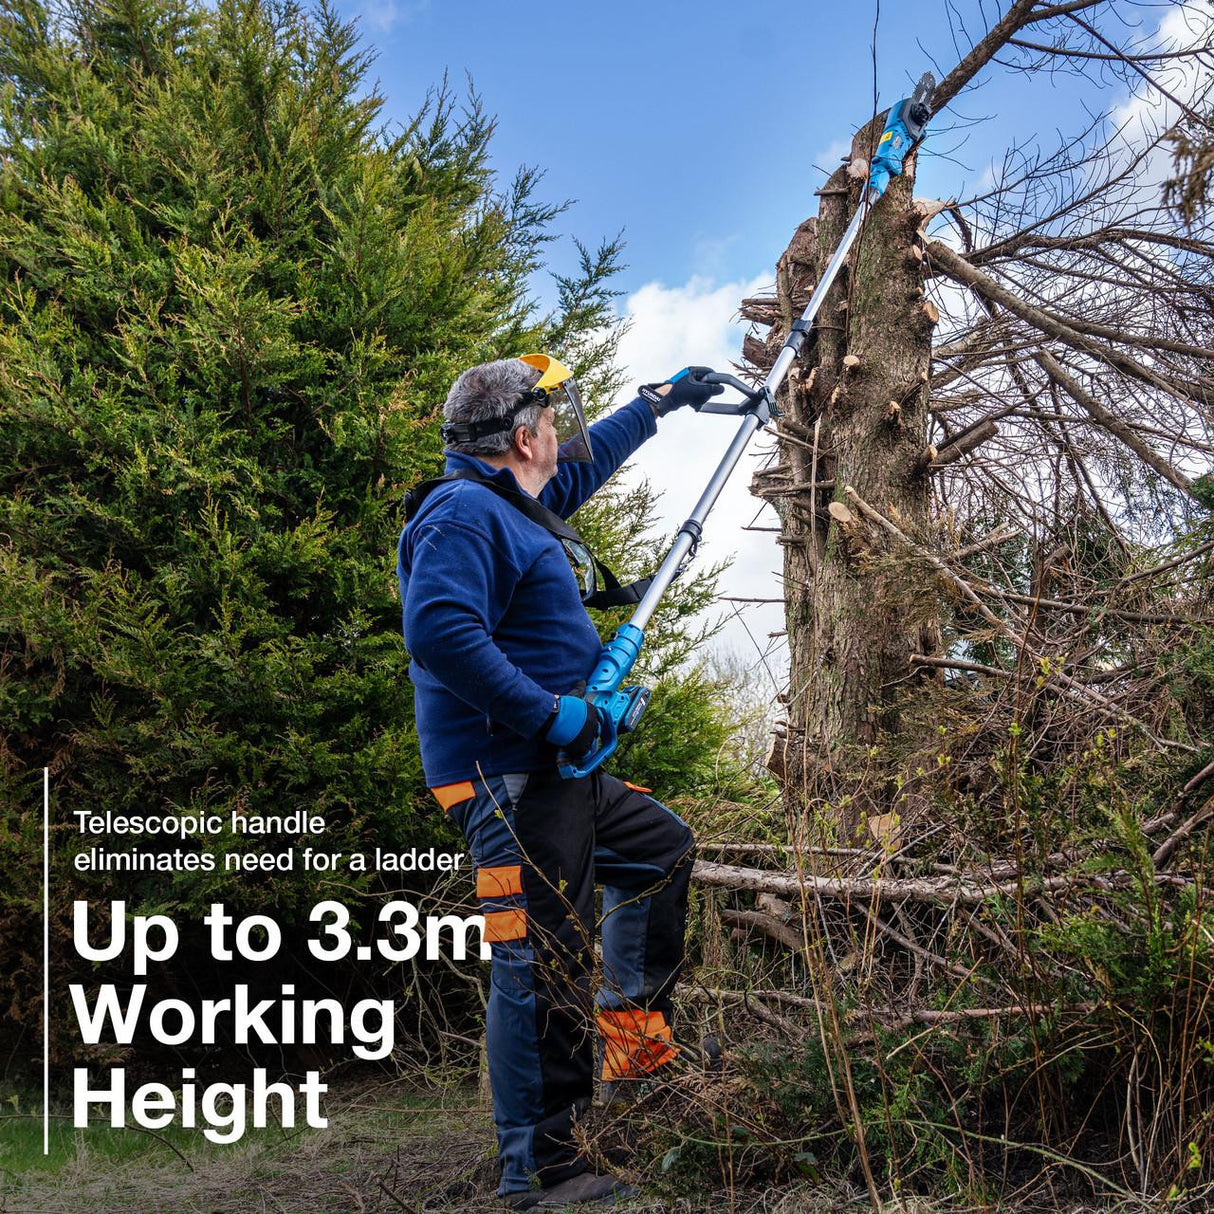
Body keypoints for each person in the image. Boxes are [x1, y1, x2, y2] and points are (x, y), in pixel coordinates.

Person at [397, 354, 721, 1209]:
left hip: (559, 772)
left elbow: (588, 460)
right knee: (539, 964)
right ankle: (542, 1173)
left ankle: (634, 1052)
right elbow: (439, 633)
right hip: (512, 776)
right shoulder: (465, 514)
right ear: (521, 435)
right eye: (550, 417)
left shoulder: (516, 506)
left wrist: (657, 405)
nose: (560, 431)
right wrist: (552, 714)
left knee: (660, 851)